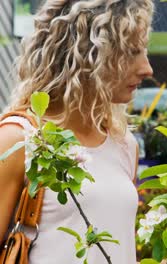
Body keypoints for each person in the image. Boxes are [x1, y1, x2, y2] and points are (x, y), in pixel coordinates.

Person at [0, 0, 154, 263]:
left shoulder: (124, 145)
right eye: (131, 52)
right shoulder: (19, 139)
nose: (147, 69)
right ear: (85, 53)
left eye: (144, 52)